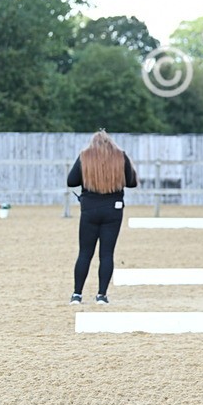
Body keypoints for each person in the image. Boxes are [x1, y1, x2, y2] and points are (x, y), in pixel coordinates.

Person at [67, 130, 138, 304]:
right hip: (113, 210)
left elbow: (71, 181)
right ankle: (101, 295)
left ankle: (77, 294)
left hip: (90, 209)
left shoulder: (85, 156)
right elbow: (131, 182)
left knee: (85, 253)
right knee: (106, 254)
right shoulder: (120, 157)